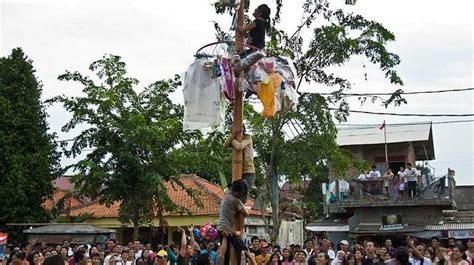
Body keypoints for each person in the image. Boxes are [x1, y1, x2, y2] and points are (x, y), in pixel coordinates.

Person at [217, 180, 249, 265]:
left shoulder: (226, 193)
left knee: (226, 254)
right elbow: (246, 213)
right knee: (242, 249)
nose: (240, 195)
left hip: (220, 227)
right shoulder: (235, 201)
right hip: (228, 229)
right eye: (240, 193)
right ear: (237, 192)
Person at [224, 127, 255, 203]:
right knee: (234, 194)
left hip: (249, 172)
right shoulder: (235, 139)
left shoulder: (248, 138)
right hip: (239, 171)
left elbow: (239, 147)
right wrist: (232, 136)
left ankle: (240, 212)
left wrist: (232, 139)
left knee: (242, 195)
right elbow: (225, 145)